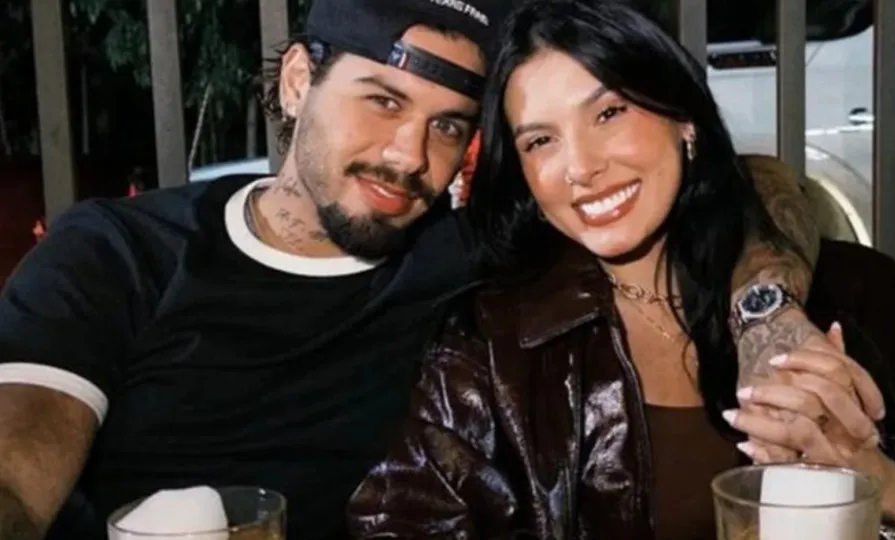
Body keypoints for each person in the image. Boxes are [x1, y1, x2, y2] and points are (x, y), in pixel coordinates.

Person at [0, 0, 839, 539]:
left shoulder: (466, 254)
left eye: (449, 126)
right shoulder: (120, 252)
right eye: (383, 100)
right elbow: (17, 464)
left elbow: (753, 183)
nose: (409, 156)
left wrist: (766, 312)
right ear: (298, 81)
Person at [346, 1, 895, 539]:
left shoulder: (879, 307)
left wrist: (885, 488)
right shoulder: (488, 348)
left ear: (683, 118)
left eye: (609, 112)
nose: (580, 167)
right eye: (540, 141)